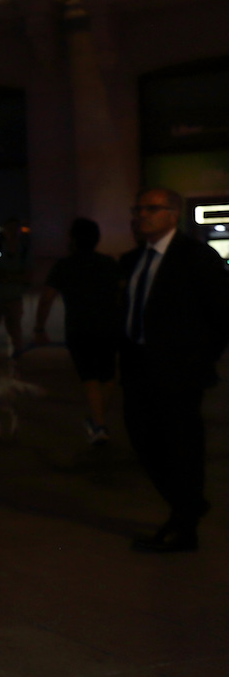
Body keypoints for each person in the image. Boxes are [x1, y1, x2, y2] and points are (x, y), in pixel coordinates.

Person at [119, 187, 229, 553]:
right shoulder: (133, 259)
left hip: (180, 371)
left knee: (181, 445)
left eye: (151, 208)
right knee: (142, 438)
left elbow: (221, 314)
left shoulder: (196, 257)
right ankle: (188, 504)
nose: (142, 215)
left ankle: (184, 524)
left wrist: (200, 359)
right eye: (138, 208)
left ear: (173, 215)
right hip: (139, 366)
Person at [33, 217, 121, 443]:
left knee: (89, 376)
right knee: (108, 376)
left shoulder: (64, 266)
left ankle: (99, 426)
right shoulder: (109, 263)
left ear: (73, 239)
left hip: (79, 328)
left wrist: (40, 327)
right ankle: (99, 419)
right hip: (109, 326)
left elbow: (46, 298)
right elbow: (123, 294)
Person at [0, 219, 32, 359]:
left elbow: (27, 276)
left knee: (15, 331)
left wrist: (5, 276)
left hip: (13, 298)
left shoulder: (23, 251)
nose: (12, 233)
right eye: (9, 230)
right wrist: (14, 276)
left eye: (14, 230)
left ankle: (18, 358)